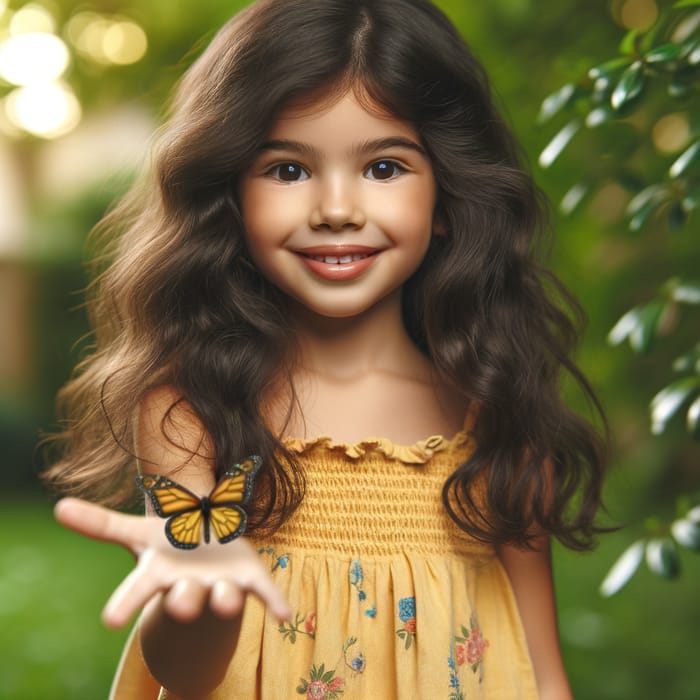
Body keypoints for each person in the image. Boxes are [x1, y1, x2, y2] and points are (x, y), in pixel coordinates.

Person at [46, 0, 608, 698]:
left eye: (383, 168)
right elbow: (185, 675)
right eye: (287, 170)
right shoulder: (193, 409)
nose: (336, 208)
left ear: (449, 198)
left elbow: (542, 674)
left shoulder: (495, 414)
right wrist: (202, 588)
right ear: (228, 198)